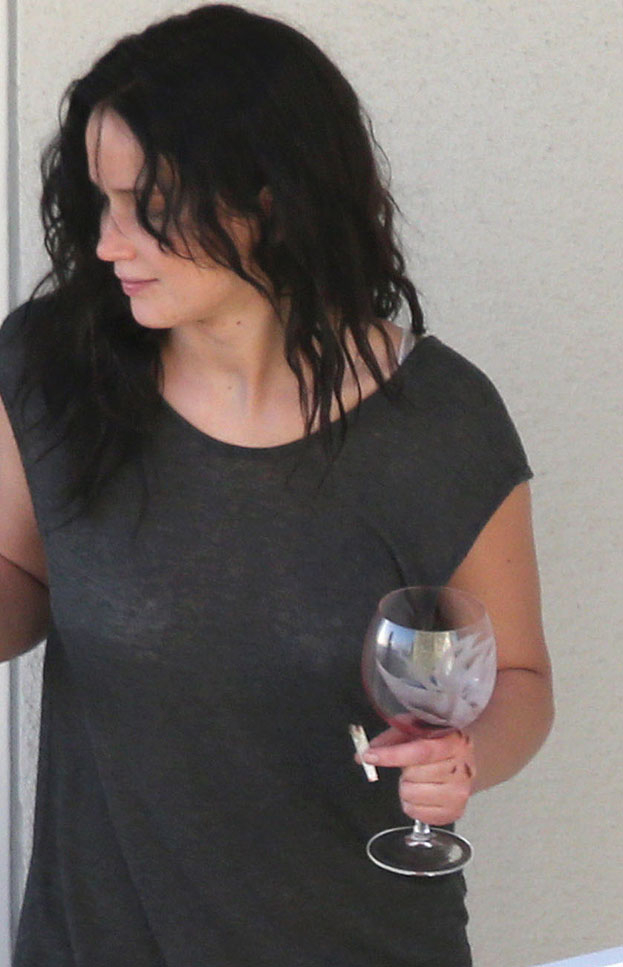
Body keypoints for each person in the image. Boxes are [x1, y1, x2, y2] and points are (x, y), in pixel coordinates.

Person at [0, 4, 554, 965]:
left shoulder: (439, 421)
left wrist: (465, 758)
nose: (109, 242)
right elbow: (24, 581)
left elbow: (520, 682)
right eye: (100, 201)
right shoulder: (57, 367)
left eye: (146, 205)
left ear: (271, 198)